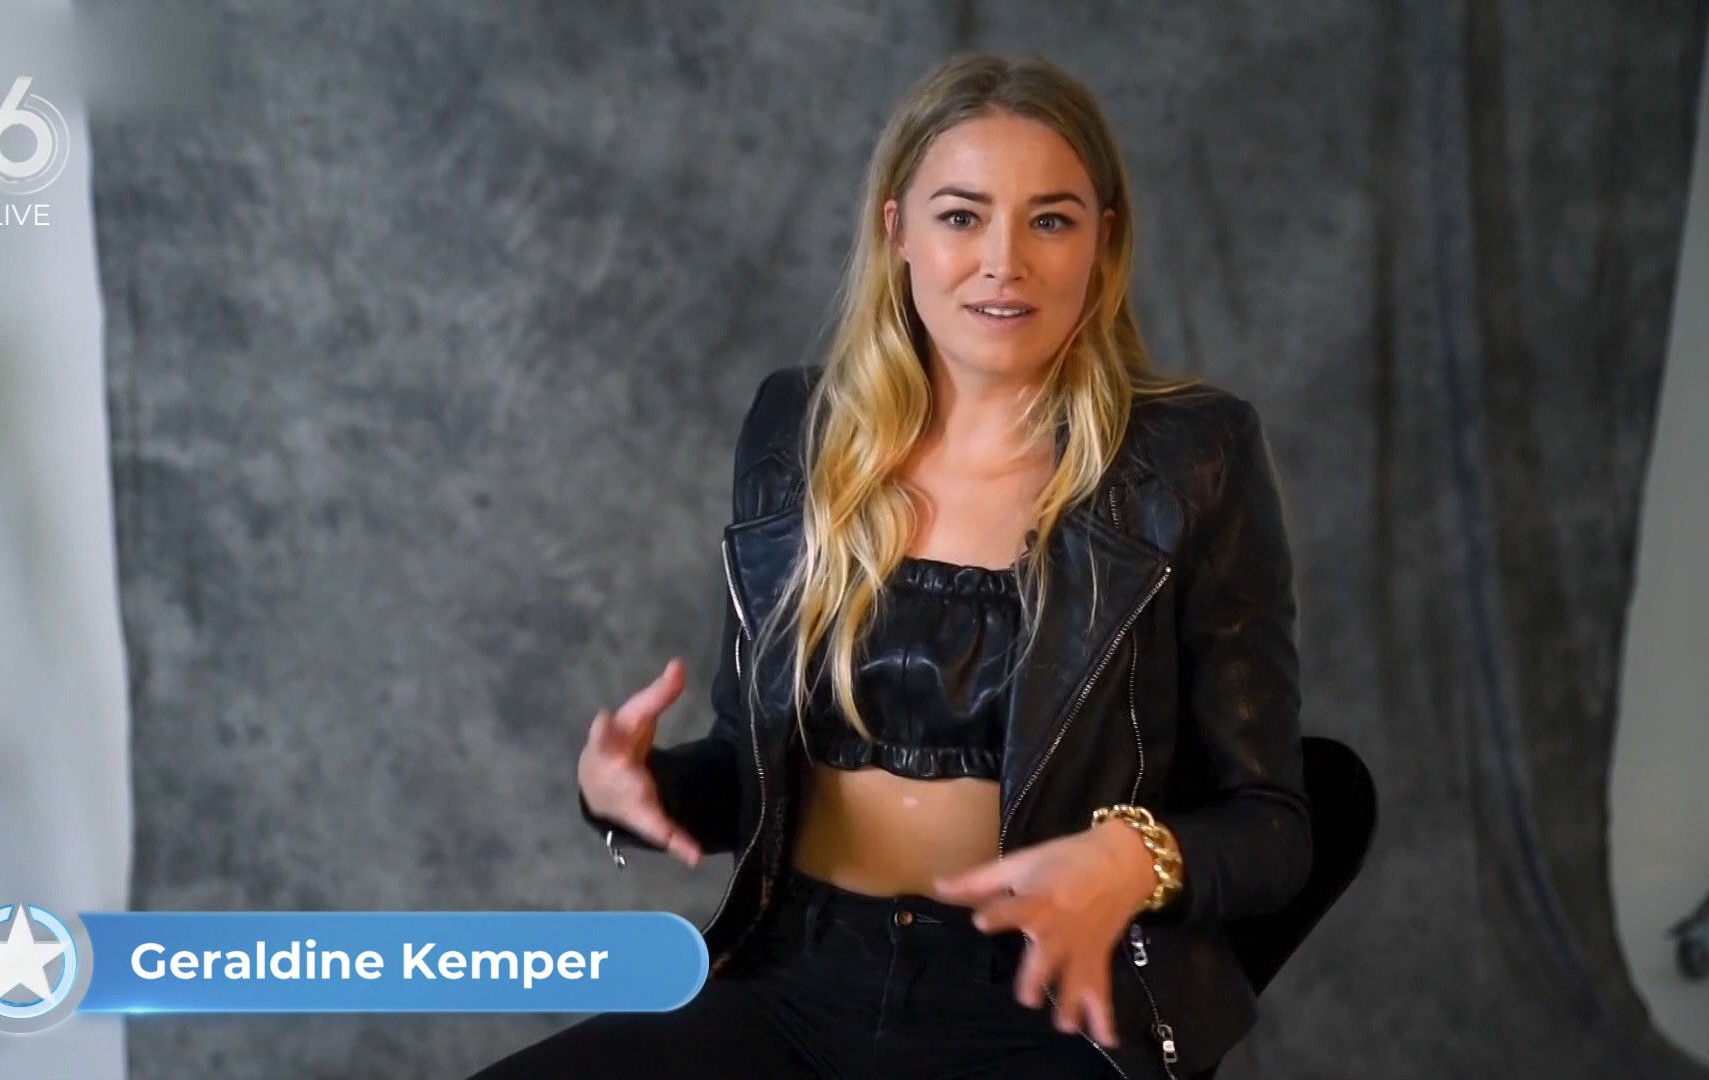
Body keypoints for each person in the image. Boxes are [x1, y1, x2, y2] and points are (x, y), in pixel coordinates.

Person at [469, 50, 1311, 1080]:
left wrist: (1134, 858)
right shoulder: (797, 429)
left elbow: (1275, 830)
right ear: (897, 229)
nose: (1003, 261)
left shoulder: (1191, 459)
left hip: (1046, 1005)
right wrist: (635, 788)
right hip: (794, 977)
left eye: (1050, 220)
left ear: (1104, 238)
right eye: (961, 216)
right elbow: (750, 768)